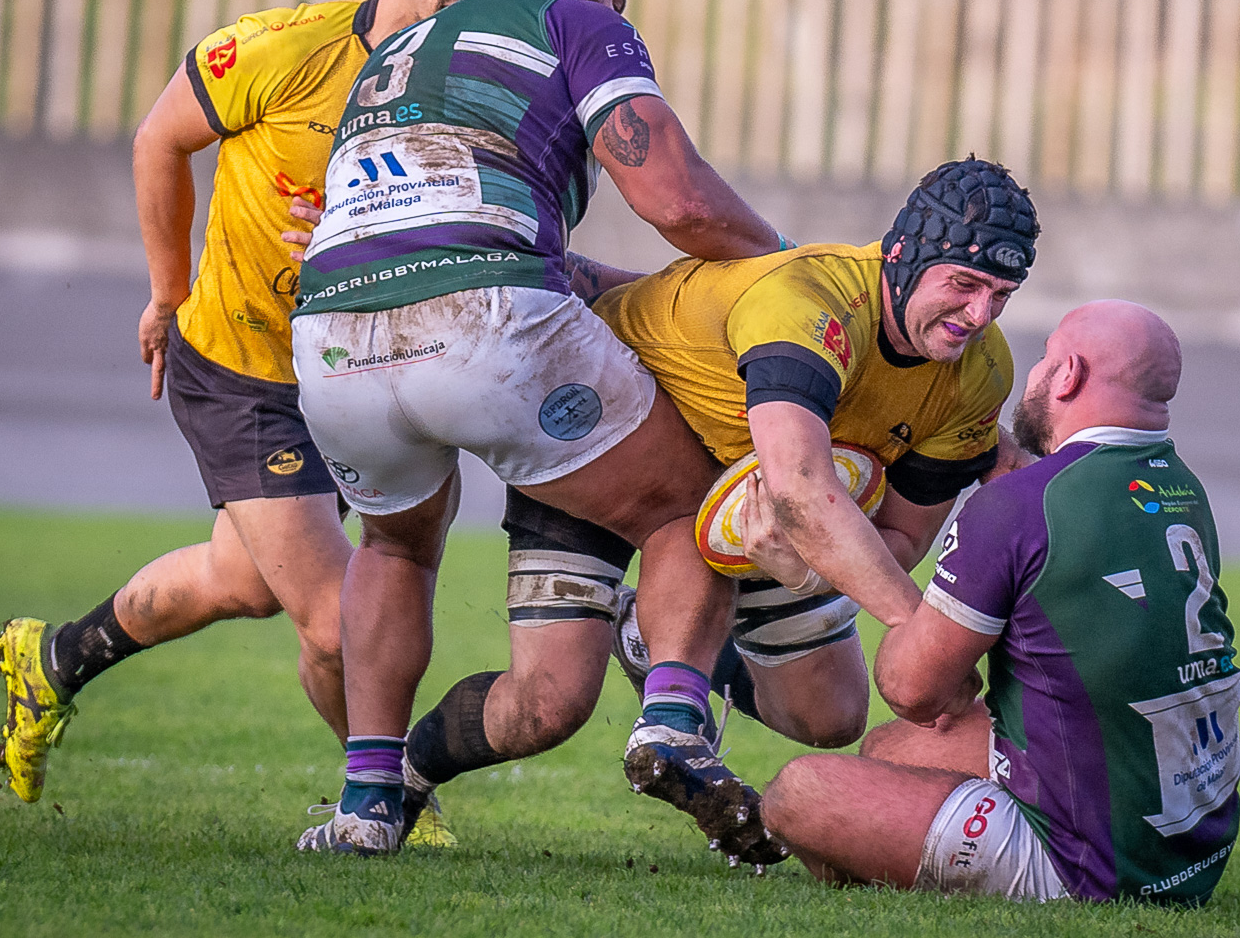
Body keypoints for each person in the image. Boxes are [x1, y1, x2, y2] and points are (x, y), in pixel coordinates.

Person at [0, 0, 513, 817]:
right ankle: (387, 800)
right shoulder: (286, 50)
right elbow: (160, 138)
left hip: (359, 376)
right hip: (246, 368)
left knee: (242, 578)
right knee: (329, 618)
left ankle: (52, 658)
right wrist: (166, 291)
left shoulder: (476, 84)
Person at [285, 0, 788, 858]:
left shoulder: (396, 49)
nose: (619, 13)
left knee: (394, 547)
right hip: (480, 319)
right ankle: (676, 720)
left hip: (332, 334)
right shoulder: (573, 20)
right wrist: (785, 265)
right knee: (691, 505)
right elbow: (677, 199)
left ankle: (366, 804)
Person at [392, 157, 1039, 855]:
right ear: (902, 255)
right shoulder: (809, 300)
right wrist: (926, 638)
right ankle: (403, 774)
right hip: (604, 431)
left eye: (1001, 294)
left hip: (735, 485)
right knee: (545, 706)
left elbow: (898, 536)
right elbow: (798, 487)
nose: (979, 313)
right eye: (964, 284)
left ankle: (652, 642)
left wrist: (809, 570)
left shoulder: (981, 373)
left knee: (832, 713)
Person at [758, 300, 1240, 907]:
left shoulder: (1018, 506)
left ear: (1067, 375)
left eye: (1044, 358)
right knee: (894, 751)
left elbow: (910, 689)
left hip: (1084, 867)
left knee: (799, 794)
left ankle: (923, 873)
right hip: (1191, 844)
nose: (1036, 373)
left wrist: (814, 577)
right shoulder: (1179, 487)